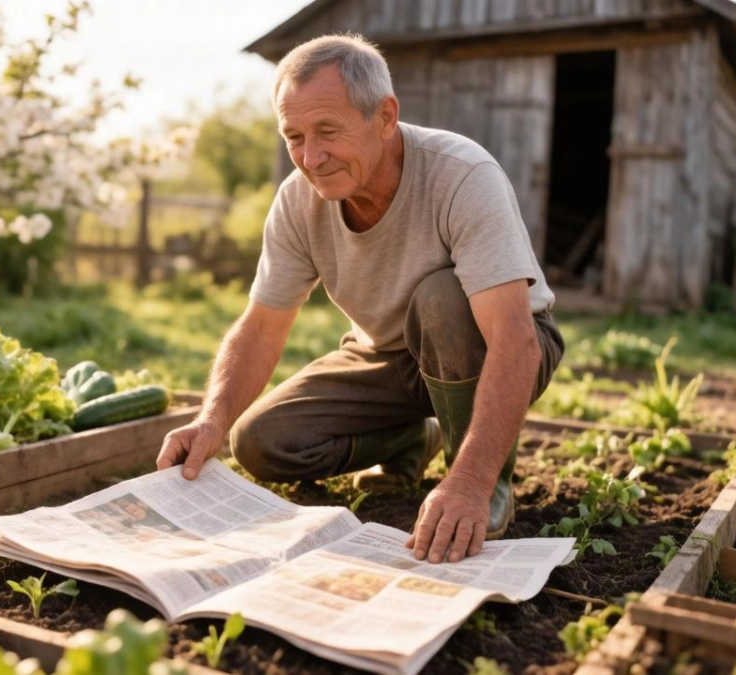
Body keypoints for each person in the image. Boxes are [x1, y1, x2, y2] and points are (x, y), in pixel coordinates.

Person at [157, 33, 564, 564]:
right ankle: (412, 442)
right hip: (385, 355)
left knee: (441, 297)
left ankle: (486, 487)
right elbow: (260, 327)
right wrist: (211, 419)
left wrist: (470, 483)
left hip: (494, 344)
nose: (311, 157)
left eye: (328, 130)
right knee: (260, 440)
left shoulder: (462, 175)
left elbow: (514, 342)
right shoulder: (297, 202)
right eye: (294, 136)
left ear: (386, 117)